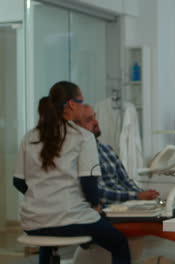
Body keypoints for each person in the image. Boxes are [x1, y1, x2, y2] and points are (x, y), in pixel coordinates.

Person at [13, 81, 131, 264]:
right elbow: (89, 183)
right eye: (82, 102)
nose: (83, 107)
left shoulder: (29, 137)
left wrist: (42, 199)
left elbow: (18, 182)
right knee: (120, 242)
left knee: (48, 242)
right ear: (71, 104)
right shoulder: (83, 137)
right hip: (71, 220)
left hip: (33, 223)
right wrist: (95, 204)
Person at [75, 104, 159, 207]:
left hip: (128, 204)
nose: (96, 122)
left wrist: (145, 196)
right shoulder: (78, 154)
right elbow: (98, 193)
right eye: (89, 120)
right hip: (109, 208)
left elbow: (126, 180)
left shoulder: (107, 150)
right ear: (77, 127)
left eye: (95, 117)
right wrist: (137, 196)